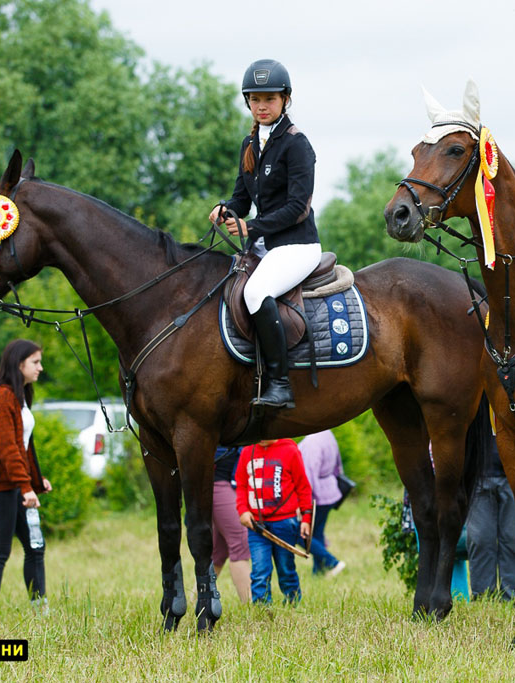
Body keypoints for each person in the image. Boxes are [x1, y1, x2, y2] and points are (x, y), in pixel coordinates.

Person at [210, 58, 322, 410]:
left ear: (285, 99)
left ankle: (280, 383)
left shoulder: (296, 144)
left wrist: (251, 227)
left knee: (257, 292)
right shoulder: (250, 142)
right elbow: (242, 199)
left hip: (298, 246)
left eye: (269, 99)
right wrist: (226, 209)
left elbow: (297, 208)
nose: (262, 106)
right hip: (263, 246)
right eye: (255, 99)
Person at [0, 339, 52, 611]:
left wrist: (34, 480)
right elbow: (8, 449)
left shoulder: (20, 394)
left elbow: (24, 445)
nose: (40, 368)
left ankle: (39, 607)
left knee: (35, 547)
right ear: (19, 364)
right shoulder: (0, 396)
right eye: (35, 362)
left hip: (16, 484)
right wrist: (25, 487)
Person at [236, 438, 313, 604]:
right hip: (256, 526)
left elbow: (303, 486)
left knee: (286, 568)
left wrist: (306, 517)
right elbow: (241, 484)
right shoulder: (247, 451)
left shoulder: (289, 450)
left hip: (285, 522)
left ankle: (293, 603)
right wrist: (243, 510)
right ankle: (262, 609)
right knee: (260, 570)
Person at [465, 421, 515, 601]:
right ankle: (483, 597)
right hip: (479, 474)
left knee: (513, 539)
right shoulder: (473, 395)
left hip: (513, 474)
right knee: (480, 539)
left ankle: (513, 596)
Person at [298, 430, 346, 576]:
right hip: (329, 490)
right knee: (316, 533)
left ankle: (331, 562)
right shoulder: (327, 433)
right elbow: (338, 465)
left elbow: (308, 475)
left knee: (299, 533)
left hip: (317, 495)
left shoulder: (311, 443)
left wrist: (305, 503)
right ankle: (318, 572)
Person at [212, 446, 251, 603]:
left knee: (218, 552)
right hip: (219, 479)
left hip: (229, 477)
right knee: (240, 541)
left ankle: (194, 602)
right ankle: (252, 605)